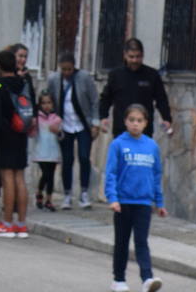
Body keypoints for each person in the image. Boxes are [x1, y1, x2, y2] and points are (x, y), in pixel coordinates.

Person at [104, 105, 166, 292]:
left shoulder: (151, 146)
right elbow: (111, 173)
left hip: (144, 203)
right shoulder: (118, 144)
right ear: (125, 121)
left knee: (141, 241)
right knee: (122, 241)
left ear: (146, 123)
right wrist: (113, 198)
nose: (135, 124)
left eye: (139, 120)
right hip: (123, 202)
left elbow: (156, 175)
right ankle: (119, 278)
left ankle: (147, 278)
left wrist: (159, 202)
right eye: (132, 120)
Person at [0, 49, 32, 238]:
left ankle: (6, 223)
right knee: (19, 176)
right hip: (22, 133)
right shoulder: (24, 83)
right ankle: (21, 223)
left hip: (5, 135)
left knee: (7, 178)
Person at [46, 52, 101, 209]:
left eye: (69, 69)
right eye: (63, 69)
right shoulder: (54, 80)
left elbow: (94, 100)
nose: (66, 73)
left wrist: (95, 123)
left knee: (84, 157)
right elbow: (49, 100)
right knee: (67, 160)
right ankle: (67, 194)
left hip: (83, 124)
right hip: (65, 125)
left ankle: (84, 192)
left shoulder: (84, 78)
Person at [99, 38, 173, 137]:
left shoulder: (152, 75)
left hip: (144, 130)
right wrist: (103, 117)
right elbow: (106, 98)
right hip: (121, 130)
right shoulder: (115, 75)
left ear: (142, 56)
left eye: (138, 57)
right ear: (125, 55)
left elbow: (161, 99)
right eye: (131, 57)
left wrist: (167, 118)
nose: (134, 60)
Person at [31, 91, 62, 210]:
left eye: (49, 103)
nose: (46, 106)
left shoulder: (57, 119)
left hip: (53, 151)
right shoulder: (37, 119)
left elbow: (62, 136)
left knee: (51, 175)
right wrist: (33, 126)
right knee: (46, 174)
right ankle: (39, 192)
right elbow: (32, 134)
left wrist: (58, 132)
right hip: (41, 151)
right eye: (43, 103)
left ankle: (48, 199)